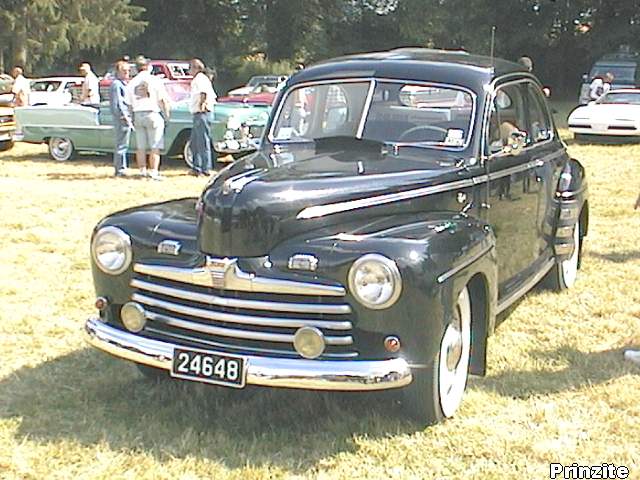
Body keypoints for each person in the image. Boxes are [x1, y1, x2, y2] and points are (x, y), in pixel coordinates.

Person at [126, 56, 171, 180]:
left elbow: (128, 104)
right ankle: (154, 171)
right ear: (148, 66)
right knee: (155, 146)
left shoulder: (132, 82)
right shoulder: (155, 80)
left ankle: (142, 170)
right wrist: (167, 115)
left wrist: (131, 117)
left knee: (140, 146)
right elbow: (162, 100)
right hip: (152, 113)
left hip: (138, 113)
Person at [188, 58, 217, 176]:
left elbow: (203, 93)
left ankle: (205, 168)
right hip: (198, 114)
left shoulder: (200, 79)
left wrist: (202, 104)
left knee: (202, 142)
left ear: (197, 68)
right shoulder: (198, 79)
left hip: (202, 113)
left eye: (191, 67)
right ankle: (196, 167)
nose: (189, 70)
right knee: (194, 143)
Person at [109, 60, 133, 177]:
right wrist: (123, 116)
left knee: (124, 144)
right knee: (121, 145)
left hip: (126, 117)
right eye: (124, 71)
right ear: (118, 72)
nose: (127, 73)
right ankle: (120, 169)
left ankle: (122, 167)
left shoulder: (123, 84)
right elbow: (117, 103)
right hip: (122, 119)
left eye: (128, 71)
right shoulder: (116, 85)